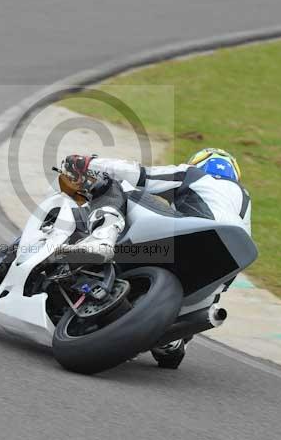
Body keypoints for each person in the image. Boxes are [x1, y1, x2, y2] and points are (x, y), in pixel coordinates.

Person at [57, 148, 252, 368]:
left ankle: (103, 237)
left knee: (116, 185)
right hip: (218, 274)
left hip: (184, 238)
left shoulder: (194, 174)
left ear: (200, 163)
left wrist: (88, 163)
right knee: (176, 345)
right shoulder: (244, 202)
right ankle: (175, 339)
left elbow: (140, 174)